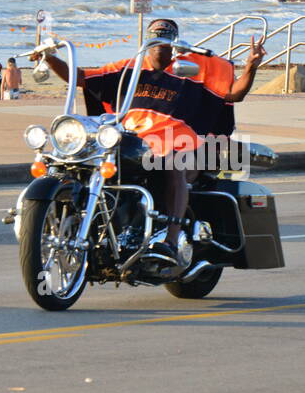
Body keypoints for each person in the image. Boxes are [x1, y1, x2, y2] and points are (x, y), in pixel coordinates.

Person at [32, 18, 266, 266]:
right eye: (155, 38)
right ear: (146, 41)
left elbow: (233, 93)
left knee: (174, 163)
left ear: (175, 44)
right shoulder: (130, 69)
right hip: (135, 142)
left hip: (185, 145)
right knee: (81, 159)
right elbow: (81, 77)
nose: (159, 45)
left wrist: (251, 66)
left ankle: (171, 243)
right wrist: (49, 57)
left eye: (166, 40)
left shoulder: (194, 68)